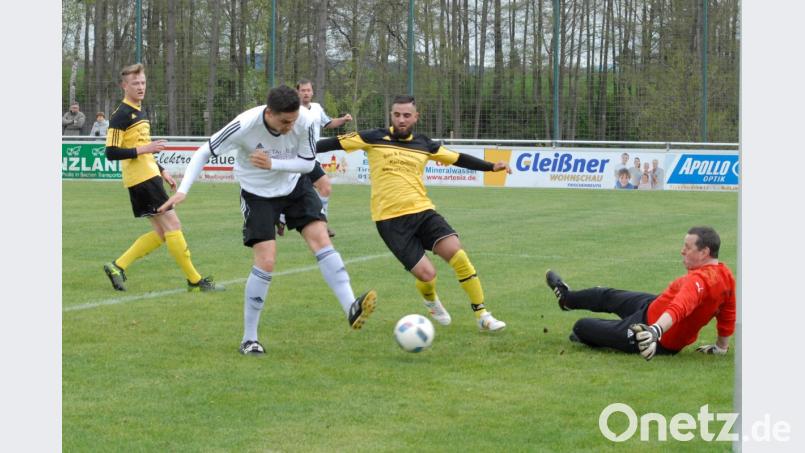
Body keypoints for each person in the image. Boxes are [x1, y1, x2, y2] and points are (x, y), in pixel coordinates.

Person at [158, 85, 377, 355]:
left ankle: (350, 308)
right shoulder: (244, 124)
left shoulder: (305, 120)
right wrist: (182, 191)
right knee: (267, 260)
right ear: (269, 113)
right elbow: (204, 152)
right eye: (285, 121)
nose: (290, 126)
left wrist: (273, 163)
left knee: (321, 239)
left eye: (293, 120)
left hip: (295, 186)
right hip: (257, 194)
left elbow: (308, 164)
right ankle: (249, 338)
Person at [316, 94, 510, 332]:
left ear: (416, 117)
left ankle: (482, 315)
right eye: (397, 115)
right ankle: (430, 299)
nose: (401, 119)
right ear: (391, 115)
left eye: (407, 115)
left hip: (423, 211)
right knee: (428, 275)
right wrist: (293, 147)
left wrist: (491, 166)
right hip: (390, 221)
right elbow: (328, 145)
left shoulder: (424, 143)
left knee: (457, 255)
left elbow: (457, 158)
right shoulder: (372, 137)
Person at [102, 63, 223, 294]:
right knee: (173, 226)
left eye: (143, 82)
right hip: (141, 180)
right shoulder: (120, 115)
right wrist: (145, 150)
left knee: (161, 233)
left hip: (150, 176)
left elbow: (140, 148)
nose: (140, 87)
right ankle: (195, 281)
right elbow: (111, 152)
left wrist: (161, 170)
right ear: (123, 86)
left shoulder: (140, 110)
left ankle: (117, 266)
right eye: (135, 83)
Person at [544, 226, 735, 361]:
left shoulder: (700, 281)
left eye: (687, 247)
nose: (681, 251)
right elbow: (727, 315)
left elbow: (680, 307)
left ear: (704, 252)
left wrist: (654, 331)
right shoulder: (726, 276)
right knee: (605, 295)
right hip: (653, 305)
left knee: (581, 327)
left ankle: (597, 336)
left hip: (652, 332)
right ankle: (567, 299)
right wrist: (721, 347)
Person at [277, 78, 354, 238]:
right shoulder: (291, 110)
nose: (306, 93)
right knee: (290, 189)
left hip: (311, 159)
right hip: (294, 158)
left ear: (312, 92)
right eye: (302, 90)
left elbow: (327, 123)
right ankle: (281, 217)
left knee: (325, 187)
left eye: (308, 90)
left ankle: (320, 222)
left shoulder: (317, 108)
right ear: (297, 92)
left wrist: (343, 120)